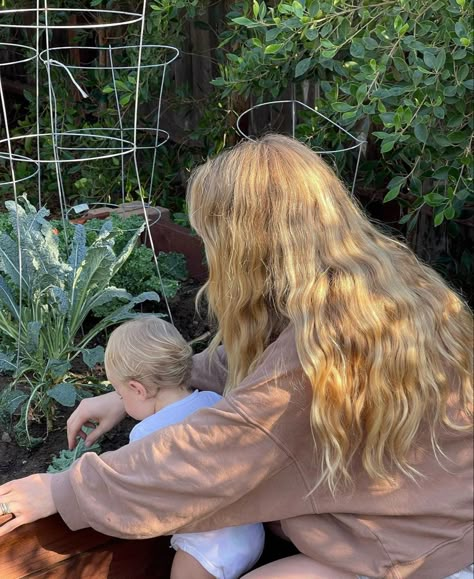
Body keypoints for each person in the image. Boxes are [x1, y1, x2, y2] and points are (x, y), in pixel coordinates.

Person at [0, 134, 472, 578]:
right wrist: (136, 393)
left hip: (423, 547)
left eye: (211, 236)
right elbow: (251, 367)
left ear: (246, 243)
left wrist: (63, 491)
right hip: (439, 514)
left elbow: (212, 456)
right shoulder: (376, 283)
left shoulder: (323, 347)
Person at [103, 315, 265, 579]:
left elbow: (144, 495)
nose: (122, 401)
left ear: (138, 389)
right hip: (250, 531)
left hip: (205, 549)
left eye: (121, 395)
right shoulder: (214, 400)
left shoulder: (145, 434)